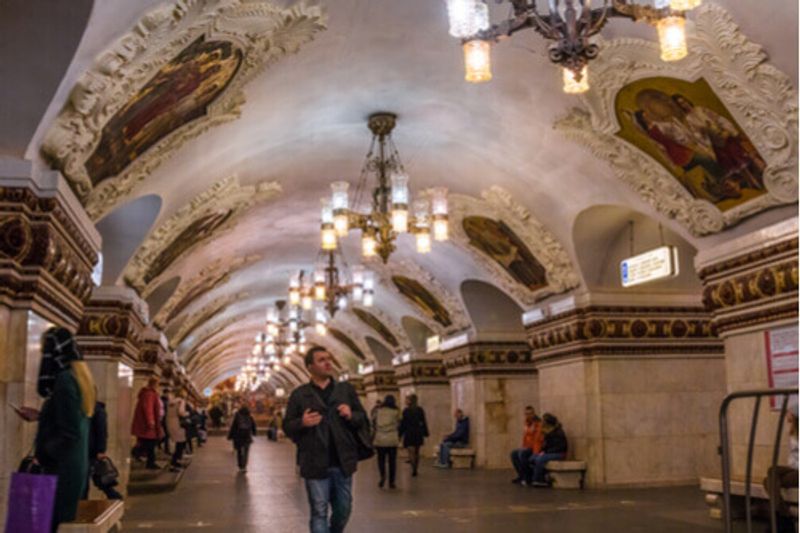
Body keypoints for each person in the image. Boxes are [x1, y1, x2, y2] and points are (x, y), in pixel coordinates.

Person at [283, 347, 369, 533]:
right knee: (319, 511)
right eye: (322, 360)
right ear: (310, 367)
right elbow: (287, 426)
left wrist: (350, 414)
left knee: (344, 509)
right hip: (314, 462)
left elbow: (362, 417)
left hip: (342, 461)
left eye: (329, 359)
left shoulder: (345, 390)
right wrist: (302, 422)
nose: (328, 363)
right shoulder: (300, 394)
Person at [34, 327, 96, 532]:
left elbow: (70, 433)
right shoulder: (82, 379)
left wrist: (44, 454)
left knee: (50, 523)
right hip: (74, 467)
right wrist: (42, 416)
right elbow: (74, 419)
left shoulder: (65, 380)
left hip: (60, 469)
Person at [763, 402, 798, 533]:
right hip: (794, 468)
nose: (786, 414)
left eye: (789, 412)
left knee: (768, 482)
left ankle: (779, 517)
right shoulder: (794, 431)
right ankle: (783, 514)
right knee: (772, 471)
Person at [85, 399, 123, 500]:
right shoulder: (93, 408)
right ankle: (115, 497)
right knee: (95, 478)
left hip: (91, 450)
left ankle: (115, 497)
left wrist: (100, 450)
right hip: (89, 449)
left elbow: (102, 432)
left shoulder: (97, 410)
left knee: (92, 478)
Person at [528, 413, 568, 487]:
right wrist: (543, 451)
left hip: (559, 453)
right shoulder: (548, 432)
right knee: (533, 457)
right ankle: (533, 477)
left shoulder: (558, 432)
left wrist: (545, 453)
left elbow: (560, 447)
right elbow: (545, 446)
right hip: (550, 452)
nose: (542, 423)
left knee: (540, 459)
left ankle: (538, 479)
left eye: (543, 421)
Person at [130, 376, 162, 470]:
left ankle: (140, 455)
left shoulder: (148, 393)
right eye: (157, 384)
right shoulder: (149, 394)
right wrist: (150, 421)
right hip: (147, 425)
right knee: (150, 444)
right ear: (154, 384)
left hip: (145, 424)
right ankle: (149, 462)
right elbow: (148, 408)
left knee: (145, 442)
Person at [373, 394, 400, 489]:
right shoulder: (396, 412)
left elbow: (373, 422)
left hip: (380, 438)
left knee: (381, 460)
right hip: (392, 438)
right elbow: (399, 423)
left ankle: (382, 476)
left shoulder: (378, 411)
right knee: (392, 461)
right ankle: (392, 481)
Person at [510, 406, 543, 486]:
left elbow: (537, 439)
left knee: (522, 454)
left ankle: (528, 477)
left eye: (530, 414)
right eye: (527, 414)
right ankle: (521, 475)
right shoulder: (526, 423)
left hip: (535, 448)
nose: (528, 416)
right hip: (527, 447)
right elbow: (525, 437)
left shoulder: (538, 423)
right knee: (514, 453)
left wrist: (535, 452)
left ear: (534, 414)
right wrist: (523, 447)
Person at [399, 394, 428, 477]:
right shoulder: (420, 410)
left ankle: (413, 468)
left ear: (410, 401)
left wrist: (400, 434)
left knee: (411, 451)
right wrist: (425, 432)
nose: (405, 401)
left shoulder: (406, 411)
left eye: (407, 399)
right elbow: (423, 422)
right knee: (417, 452)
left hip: (409, 432)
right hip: (418, 432)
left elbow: (403, 424)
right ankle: (416, 468)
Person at [227, 403, 257, 472]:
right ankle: (244, 465)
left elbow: (233, 427)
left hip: (239, 436)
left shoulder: (237, 416)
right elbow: (253, 425)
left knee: (239, 452)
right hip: (247, 436)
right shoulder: (249, 416)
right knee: (246, 452)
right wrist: (254, 433)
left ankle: (240, 465)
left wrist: (230, 436)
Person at [166, 390, 189, 471]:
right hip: (178, 424)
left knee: (177, 443)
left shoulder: (170, 402)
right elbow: (181, 412)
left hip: (169, 422)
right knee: (181, 443)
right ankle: (174, 463)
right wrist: (187, 413)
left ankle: (176, 462)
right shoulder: (181, 401)